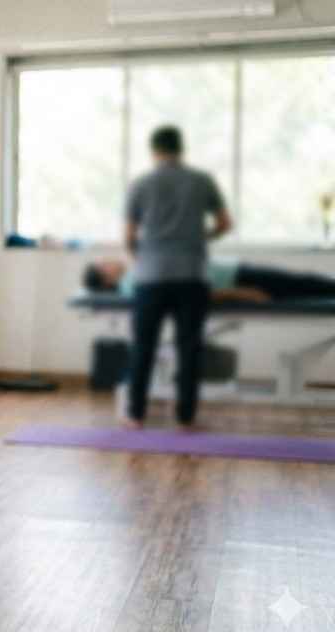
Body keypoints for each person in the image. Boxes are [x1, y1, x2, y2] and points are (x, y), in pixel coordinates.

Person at [117, 125, 232, 431]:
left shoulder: (140, 184)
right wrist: (201, 237)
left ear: (154, 151)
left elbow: (128, 237)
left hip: (150, 276)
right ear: (181, 149)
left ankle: (136, 415)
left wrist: (142, 259)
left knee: (143, 347)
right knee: (189, 348)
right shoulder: (202, 180)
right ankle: (185, 417)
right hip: (191, 274)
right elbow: (225, 223)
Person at [84, 257, 335, 303]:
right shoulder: (132, 285)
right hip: (237, 281)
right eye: (104, 265)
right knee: (307, 284)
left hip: (235, 273)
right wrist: (240, 293)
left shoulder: (134, 274)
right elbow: (184, 293)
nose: (109, 260)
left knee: (306, 283)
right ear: (106, 280)